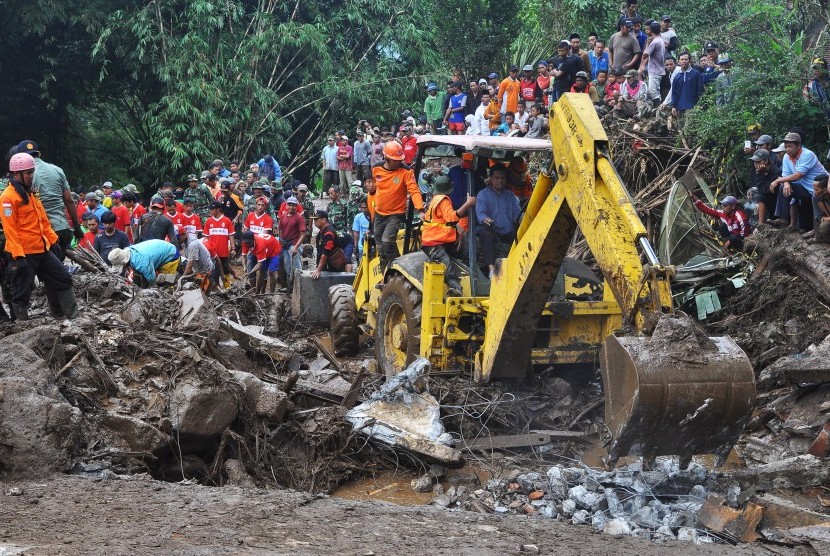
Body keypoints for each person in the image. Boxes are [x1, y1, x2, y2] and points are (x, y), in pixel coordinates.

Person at [0, 152, 78, 320]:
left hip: (42, 248)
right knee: (22, 292)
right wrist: (18, 256)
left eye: (32, 172)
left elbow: (42, 220)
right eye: (28, 173)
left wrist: (53, 241)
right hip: (24, 253)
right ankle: (23, 327)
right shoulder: (8, 197)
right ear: (17, 174)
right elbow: (10, 230)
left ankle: (74, 318)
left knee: (63, 278)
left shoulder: (31, 193)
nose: (31, 176)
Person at [15, 140, 83, 259]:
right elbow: (69, 200)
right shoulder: (57, 170)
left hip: (40, 233)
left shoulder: (24, 175)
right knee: (56, 272)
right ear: (38, 154)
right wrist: (77, 227)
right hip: (61, 229)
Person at [371, 141, 425, 271]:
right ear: (387, 158)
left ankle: (401, 266)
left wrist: (420, 209)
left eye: (400, 160)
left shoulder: (406, 171)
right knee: (380, 245)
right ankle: (385, 274)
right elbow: (374, 187)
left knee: (387, 240)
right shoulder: (376, 168)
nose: (399, 162)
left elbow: (414, 190)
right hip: (379, 213)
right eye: (395, 160)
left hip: (395, 213)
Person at [422, 176, 476, 295]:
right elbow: (451, 218)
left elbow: (445, 222)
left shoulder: (436, 199)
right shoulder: (443, 200)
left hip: (443, 241)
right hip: (433, 243)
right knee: (444, 262)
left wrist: (459, 233)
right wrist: (468, 204)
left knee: (467, 252)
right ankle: (455, 287)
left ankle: (469, 280)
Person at [770, 132, 828, 230]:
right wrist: (786, 182)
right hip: (805, 188)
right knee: (783, 188)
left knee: (813, 220)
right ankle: (783, 219)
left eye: (790, 146)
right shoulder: (786, 157)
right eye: (786, 146)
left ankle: (816, 233)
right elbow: (786, 174)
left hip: (821, 188)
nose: (787, 149)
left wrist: (778, 181)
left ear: (799, 146)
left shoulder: (807, 154)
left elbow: (798, 175)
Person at [476, 165, 521, 277]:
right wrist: (484, 218)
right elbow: (481, 213)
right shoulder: (483, 194)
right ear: (490, 178)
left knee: (522, 235)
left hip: (507, 231)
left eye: (502, 178)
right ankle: (492, 271)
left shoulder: (510, 196)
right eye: (497, 178)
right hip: (492, 230)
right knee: (486, 235)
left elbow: (518, 215)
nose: (500, 181)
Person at [108, 239, 179, 285]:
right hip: (159, 248)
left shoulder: (141, 263)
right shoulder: (130, 251)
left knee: (165, 284)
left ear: (124, 262)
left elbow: (152, 281)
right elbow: (137, 274)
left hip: (170, 254)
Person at [203, 200, 236, 288]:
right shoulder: (209, 221)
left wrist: (233, 248)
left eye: (212, 209)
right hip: (212, 251)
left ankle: (227, 286)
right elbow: (206, 238)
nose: (210, 211)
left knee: (225, 268)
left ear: (218, 209)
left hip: (224, 251)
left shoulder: (227, 220)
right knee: (214, 270)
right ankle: (216, 287)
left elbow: (231, 235)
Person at [311, 210, 350, 278]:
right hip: (327, 264)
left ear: (324, 220)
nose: (315, 222)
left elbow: (325, 253)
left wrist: (318, 270)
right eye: (314, 220)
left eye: (316, 219)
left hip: (334, 265)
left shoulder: (328, 233)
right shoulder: (321, 231)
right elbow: (319, 252)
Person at [277, 196, 305, 290]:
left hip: (294, 243)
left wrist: (296, 247)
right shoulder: (284, 215)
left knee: (297, 268)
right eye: (289, 205)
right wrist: (281, 240)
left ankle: (299, 288)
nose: (291, 207)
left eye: (293, 205)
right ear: (286, 205)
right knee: (287, 266)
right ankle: (290, 287)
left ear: (296, 206)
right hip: (285, 244)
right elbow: (280, 229)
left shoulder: (299, 217)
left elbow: (303, 234)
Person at [749, 149, 783, 226]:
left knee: (761, 196)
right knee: (756, 195)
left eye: (758, 161)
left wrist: (761, 174)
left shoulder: (775, 171)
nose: (755, 164)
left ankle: (761, 224)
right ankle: (760, 224)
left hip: (776, 200)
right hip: (767, 199)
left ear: (766, 161)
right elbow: (760, 188)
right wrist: (759, 173)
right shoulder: (758, 172)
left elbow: (766, 190)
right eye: (754, 162)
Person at [179, 225, 216, 293]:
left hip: (206, 271)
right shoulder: (184, 243)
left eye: (178, 238)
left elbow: (189, 265)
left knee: (204, 295)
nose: (177, 240)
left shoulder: (193, 244)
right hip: (198, 270)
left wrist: (181, 278)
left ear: (184, 234)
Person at [671, 52, 704, 121]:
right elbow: (674, 93)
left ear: (689, 61)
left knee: (690, 130)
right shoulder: (677, 77)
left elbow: (700, 90)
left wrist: (699, 105)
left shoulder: (696, 74)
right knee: (681, 130)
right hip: (679, 108)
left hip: (692, 107)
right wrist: (674, 106)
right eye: (682, 59)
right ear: (678, 61)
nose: (684, 61)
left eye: (686, 59)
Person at [640, 21, 666, 104]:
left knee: (653, 92)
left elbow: (645, 55)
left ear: (651, 30)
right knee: (655, 91)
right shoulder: (660, 40)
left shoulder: (654, 42)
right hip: (659, 69)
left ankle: (657, 111)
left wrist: (648, 43)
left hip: (655, 70)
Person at [811, 174, 830, 243]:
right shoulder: (815, 198)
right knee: (824, 226)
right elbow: (818, 217)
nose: (814, 192)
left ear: (825, 190)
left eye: (816, 190)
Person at [352, 200, 371, 264]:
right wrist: (355, 246)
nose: (363, 210)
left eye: (365, 208)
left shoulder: (375, 217)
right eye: (362, 208)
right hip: (362, 246)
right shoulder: (358, 217)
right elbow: (356, 233)